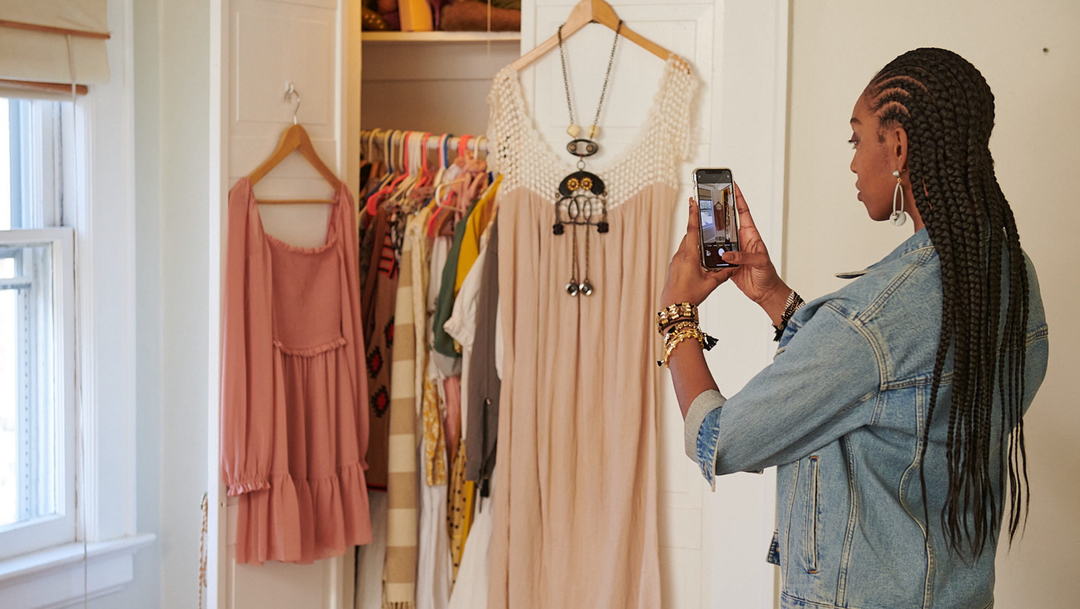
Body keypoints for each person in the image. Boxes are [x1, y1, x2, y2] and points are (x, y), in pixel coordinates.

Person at [658, 47, 1049, 609]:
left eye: (856, 138)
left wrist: (677, 315)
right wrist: (773, 296)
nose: (852, 161)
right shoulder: (1007, 275)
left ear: (896, 146)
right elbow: (893, 390)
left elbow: (720, 440)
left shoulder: (876, 318)